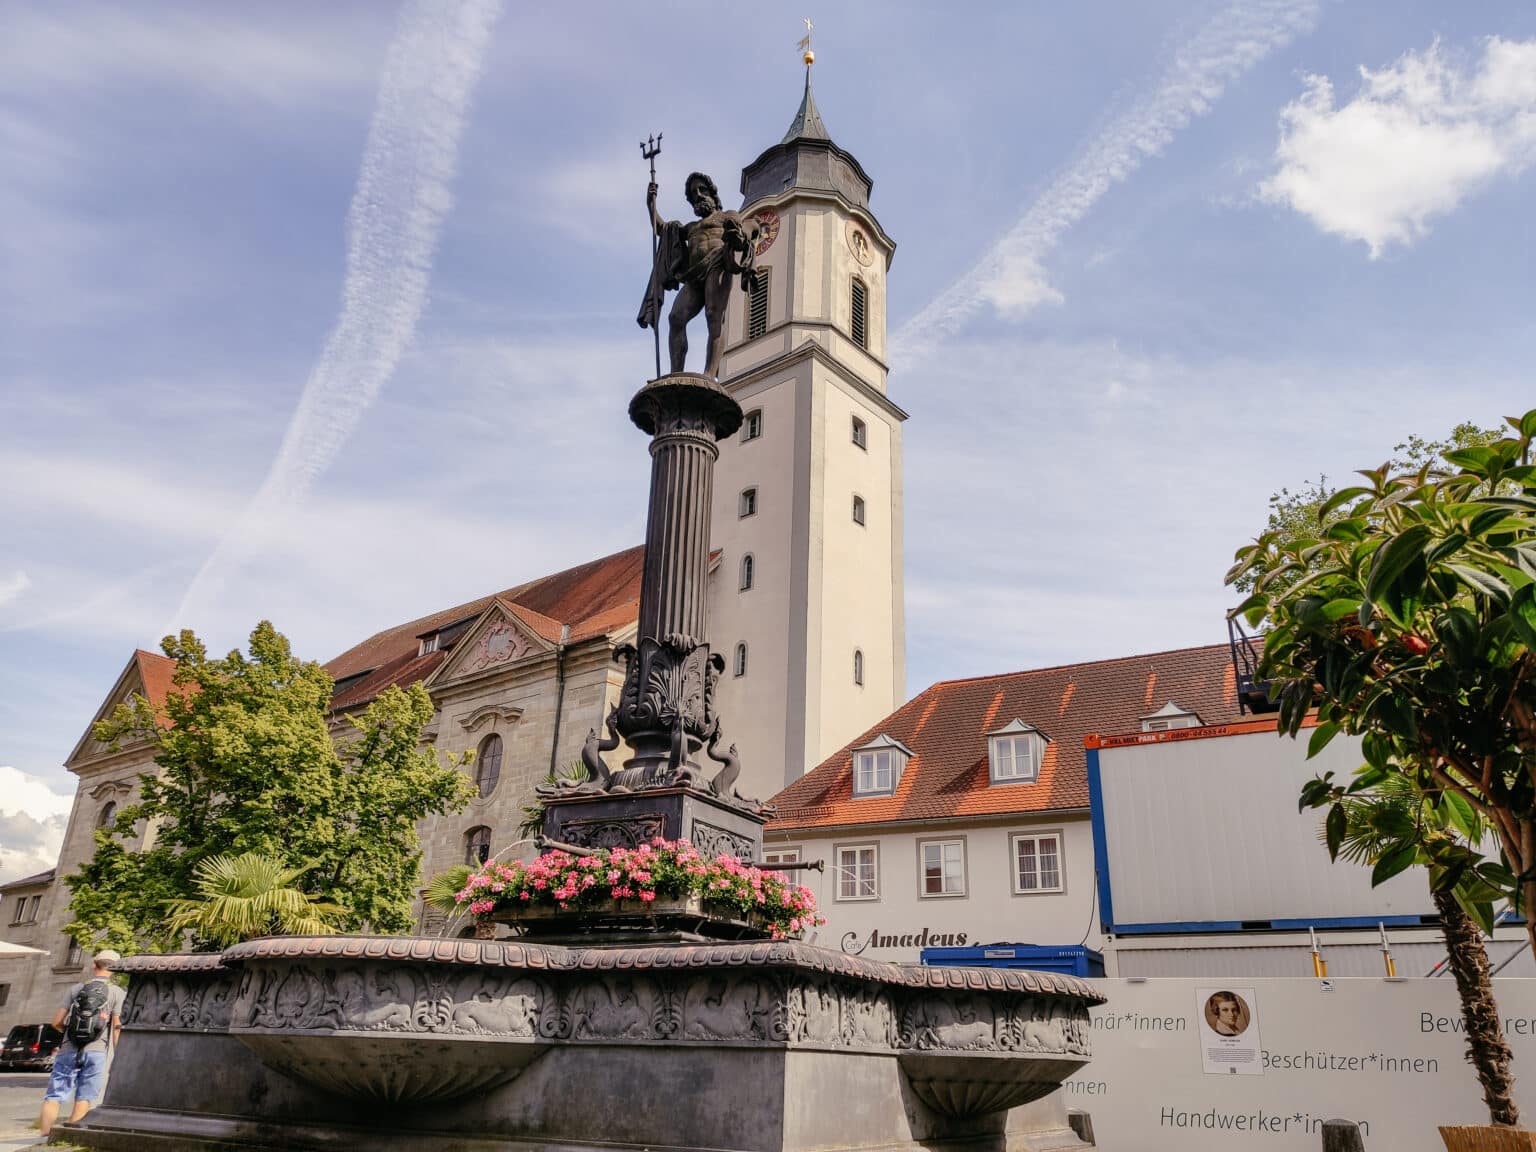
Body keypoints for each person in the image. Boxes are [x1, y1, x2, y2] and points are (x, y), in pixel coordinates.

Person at [638, 172, 757, 380]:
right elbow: (662, 230)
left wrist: (740, 234)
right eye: (694, 193)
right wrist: (651, 205)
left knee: (713, 315)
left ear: (712, 194)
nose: (699, 195)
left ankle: (710, 373)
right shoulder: (691, 228)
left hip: (717, 265)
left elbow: (747, 227)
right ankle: (675, 374)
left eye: (702, 190)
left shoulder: (726, 216)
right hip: (694, 275)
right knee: (675, 318)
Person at [38, 948, 126, 1136]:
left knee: (54, 1096)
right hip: (96, 1051)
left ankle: (45, 1137)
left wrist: (67, 1034)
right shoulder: (117, 993)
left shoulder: (76, 989)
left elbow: (56, 1022)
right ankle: (70, 1134)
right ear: (115, 969)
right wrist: (117, 1057)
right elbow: (117, 1029)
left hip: (68, 1048)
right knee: (84, 1096)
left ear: (95, 966)